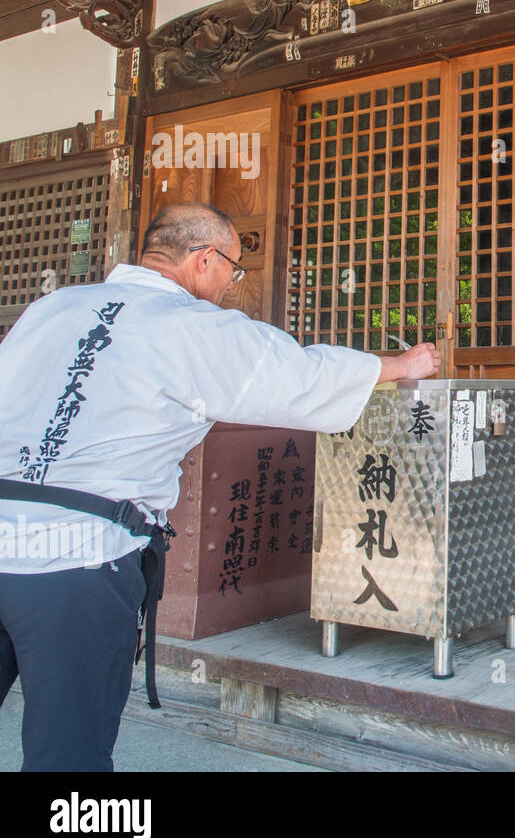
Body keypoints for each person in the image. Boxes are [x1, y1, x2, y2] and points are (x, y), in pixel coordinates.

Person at [0, 201, 440, 771]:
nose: (232, 284)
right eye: (233, 269)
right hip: (77, 564)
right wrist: (399, 367)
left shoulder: (51, 308)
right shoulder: (190, 324)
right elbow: (297, 376)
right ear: (205, 259)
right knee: (68, 754)